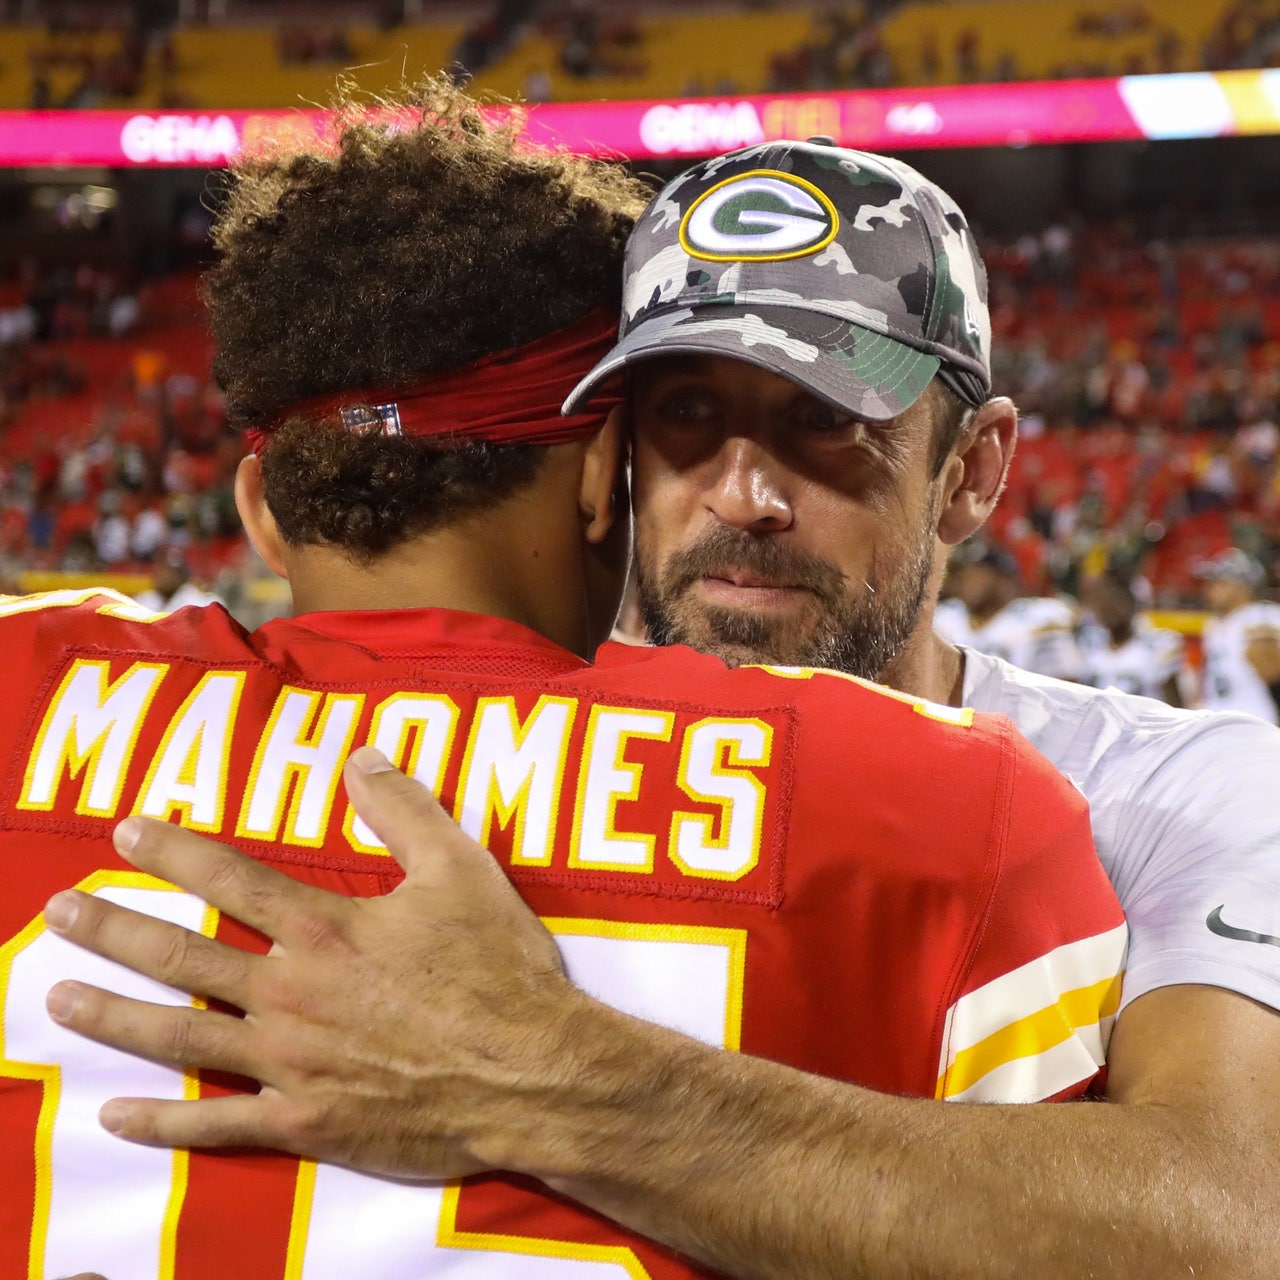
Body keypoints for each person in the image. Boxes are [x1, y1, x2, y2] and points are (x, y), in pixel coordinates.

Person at [47, 138, 1280, 1276]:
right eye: (685, 415)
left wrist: (545, 1073)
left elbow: (1238, 1224)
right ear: (606, 452)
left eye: (829, 425)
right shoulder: (439, 749)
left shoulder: (1174, 790)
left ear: (972, 471)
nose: (741, 494)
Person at [934, 544, 1083, 680]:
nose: (968, 581)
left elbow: (1066, 682)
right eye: (967, 574)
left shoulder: (1034, 616)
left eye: (979, 575)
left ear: (1004, 581)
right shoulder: (946, 615)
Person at [1194, 546, 1280, 721]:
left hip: (1256, 720)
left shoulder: (1262, 615)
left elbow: (1273, 674)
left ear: (1242, 587)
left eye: (1221, 583)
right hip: (1219, 719)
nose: (1211, 589)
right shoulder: (1216, 624)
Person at [1076, 567, 1186, 705]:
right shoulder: (1088, 646)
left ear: (1134, 602)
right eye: (1103, 600)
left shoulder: (1158, 645)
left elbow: (1177, 707)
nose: (1109, 608)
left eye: (1116, 600)